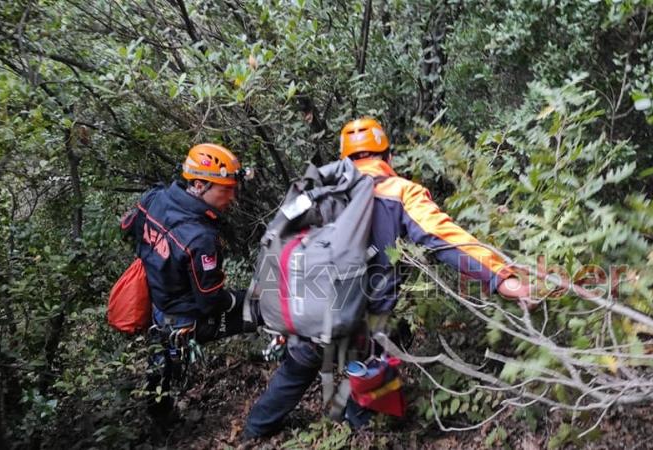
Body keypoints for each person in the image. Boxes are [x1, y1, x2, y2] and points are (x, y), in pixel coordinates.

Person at [242, 118, 528, 439]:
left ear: (344, 159)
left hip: (313, 310)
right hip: (364, 321)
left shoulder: (322, 190)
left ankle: (252, 434)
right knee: (366, 382)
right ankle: (361, 429)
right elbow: (444, 237)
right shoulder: (401, 192)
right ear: (388, 157)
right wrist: (501, 277)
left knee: (293, 374)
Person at [120, 143, 262, 419]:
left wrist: (158, 260)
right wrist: (239, 297)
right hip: (186, 318)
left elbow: (127, 226)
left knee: (160, 365)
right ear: (198, 185)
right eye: (226, 189)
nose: (232, 197)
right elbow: (211, 302)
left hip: (159, 304)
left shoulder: (154, 198)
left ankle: (159, 418)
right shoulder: (200, 238)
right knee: (265, 306)